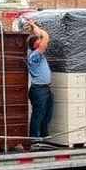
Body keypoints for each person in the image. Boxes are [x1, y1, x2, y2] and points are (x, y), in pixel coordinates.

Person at [25, 19, 52, 148]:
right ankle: (35, 139)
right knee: (38, 114)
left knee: (47, 113)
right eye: (38, 40)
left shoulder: (36, 52)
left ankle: (43, 137)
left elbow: (40, 37)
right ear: (35, 45)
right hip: (39, 90)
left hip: (45, 89)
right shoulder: (34, 55)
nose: (40, 41)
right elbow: (46, 38)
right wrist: (36, 27)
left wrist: (32, 27)